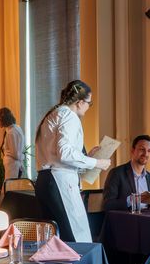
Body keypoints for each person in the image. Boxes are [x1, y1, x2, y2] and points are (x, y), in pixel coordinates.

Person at [34, 80, 111, 242]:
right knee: (75, 237)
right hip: (59, 181)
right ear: (80, 102)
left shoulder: (52, 114)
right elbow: (65, 154)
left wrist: (87, 157)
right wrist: (97, 163)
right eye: (89, 103)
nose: (89, 107)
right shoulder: (69, 115)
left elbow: (57, 154)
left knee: (54, 238)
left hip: (45, 180)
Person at [102, 135, 150, 211]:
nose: (146, 154)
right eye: (142, 149)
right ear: (132, 150)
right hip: (126, 218)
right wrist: (132, 200)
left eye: (149, 151)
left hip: (148, 217)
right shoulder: (116, 173)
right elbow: (108, 205)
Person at [0, 107, 25, 180]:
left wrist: (22, 156)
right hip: (13, 166)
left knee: (11, 186)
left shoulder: (11, 133)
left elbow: (15, 154)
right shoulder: (15, 128)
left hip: (13, 168)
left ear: (2, 119)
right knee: (10, 186)